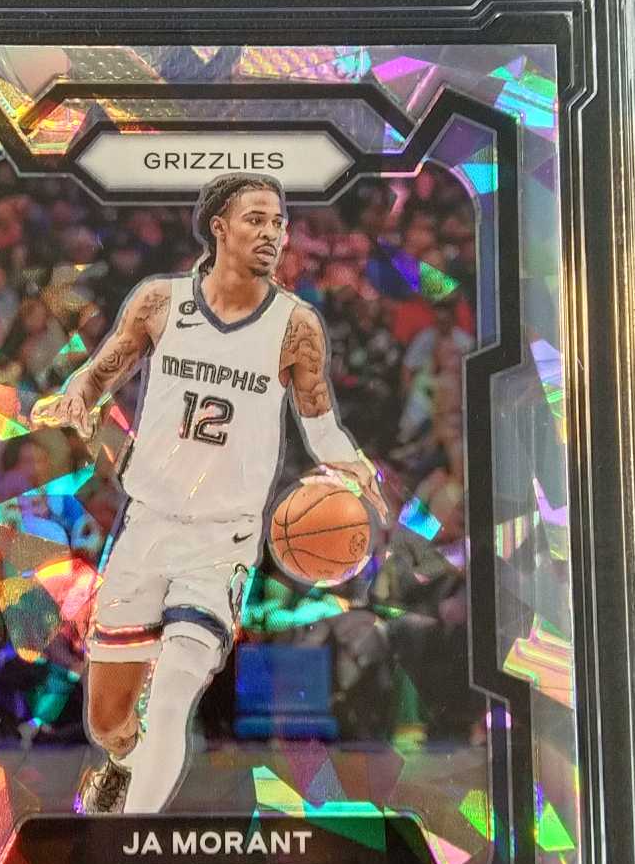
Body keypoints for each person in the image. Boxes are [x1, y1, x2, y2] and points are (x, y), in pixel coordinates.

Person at [33, 172, 387, 815]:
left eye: (279, 223)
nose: (272, 233)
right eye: (256, 219)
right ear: (219, 227)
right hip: (146, 526)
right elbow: (105, 368)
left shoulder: (295, 325)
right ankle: (124, 762)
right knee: (108, 722)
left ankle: (132, 838)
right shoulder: (160, 301)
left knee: (173, 693)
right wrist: (76, 394)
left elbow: (319, 421)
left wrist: (352, 463)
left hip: (224, 537)